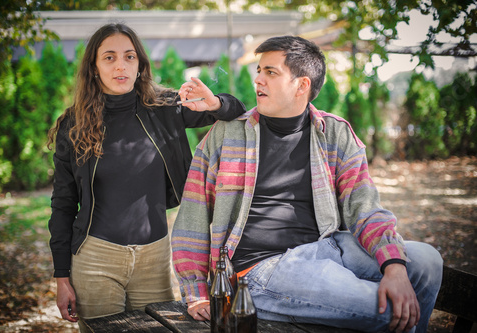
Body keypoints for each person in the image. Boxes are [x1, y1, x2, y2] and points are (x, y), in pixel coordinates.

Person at [171, 35, 443, 333]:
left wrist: (394, 266)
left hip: (327, 246)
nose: (258, 80)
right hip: (261, 270)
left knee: (427, 262)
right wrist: (195, 292)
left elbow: (364, 208)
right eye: (259, 70)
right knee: (389, 310)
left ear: (302, 85)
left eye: (270, 73)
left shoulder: (335, 133)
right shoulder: (227, 135)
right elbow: (192, 218)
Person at [46, 23, 245, 332]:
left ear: (140, 64)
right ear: (94, 68)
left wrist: (216, 102)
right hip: (95, 258)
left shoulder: (165, 108)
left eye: (129, 56)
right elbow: (62, 204)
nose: (121, 65)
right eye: (109, 57)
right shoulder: (74, 124)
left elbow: (236, 111)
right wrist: (61, 277)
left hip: (155, 258)